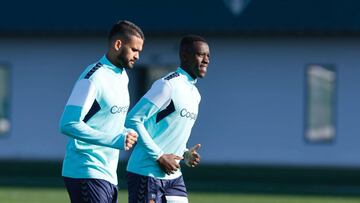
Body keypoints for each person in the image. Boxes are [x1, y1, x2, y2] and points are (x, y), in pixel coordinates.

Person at [59, 20, 144, 203]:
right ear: (118, 44)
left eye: (140, 51)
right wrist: (116, 140)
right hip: (85, 169)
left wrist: (124, 133)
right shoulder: (93, 77)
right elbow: (68, 123)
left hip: (108, 174)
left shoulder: (122, 77)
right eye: (134, 50)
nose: (137, 56)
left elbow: (106, 121)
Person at [126, 35, 210, 203]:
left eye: (208, 56)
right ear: (185, 55)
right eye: (201, 55)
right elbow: (132, 120)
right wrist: (159, 156)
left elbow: (167, 131)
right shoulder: (168, 85)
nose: (206, 60)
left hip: (174, 176)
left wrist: (184, 153)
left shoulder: (195, 94)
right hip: (146, 172)